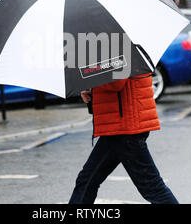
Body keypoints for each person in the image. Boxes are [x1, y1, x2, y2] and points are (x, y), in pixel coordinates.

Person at [69, 74, 179, 204]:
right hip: (120, 126)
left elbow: (117, 81)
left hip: (125, 127)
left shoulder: (117, 52)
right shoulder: (118, 53)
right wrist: (92, 89)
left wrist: (92, 84)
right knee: (87, 180)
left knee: (152, 187)